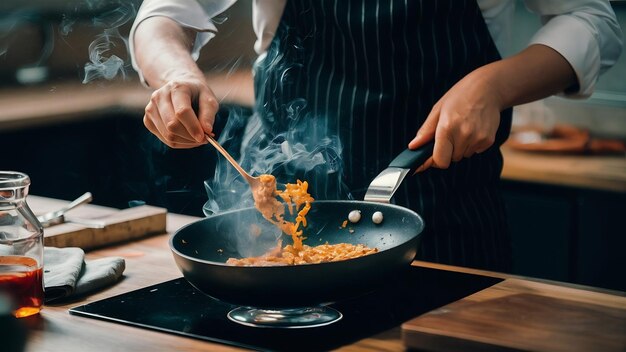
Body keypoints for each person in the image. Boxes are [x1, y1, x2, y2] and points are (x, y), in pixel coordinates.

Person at [130, 0, 622, 272]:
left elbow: (593, 22)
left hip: (447, 227)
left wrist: (492, 86)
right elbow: (163, 15)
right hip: (279, 238)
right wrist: (176, 76)